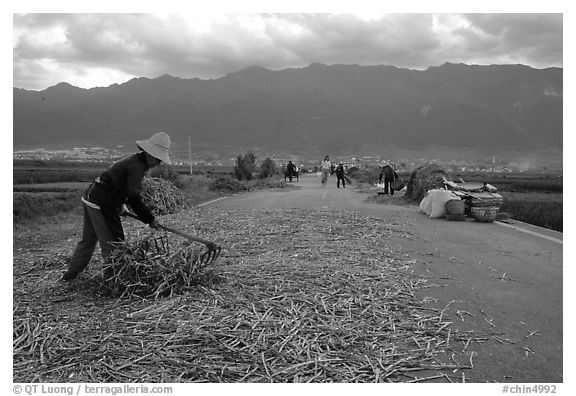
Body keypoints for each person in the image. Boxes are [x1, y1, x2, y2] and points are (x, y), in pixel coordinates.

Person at [62, 132, 171, 281]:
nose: (159, 163)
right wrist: (149, 219)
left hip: (92, 196)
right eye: (158, 159)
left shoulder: (135, 161)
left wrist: (121, 204)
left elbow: (119, 185)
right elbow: (134, 197)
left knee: (88, 239)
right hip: (101, 202)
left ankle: (70, 274)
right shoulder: (137, 167)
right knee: (114, 242)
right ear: (150, 154)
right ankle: (113, 279)